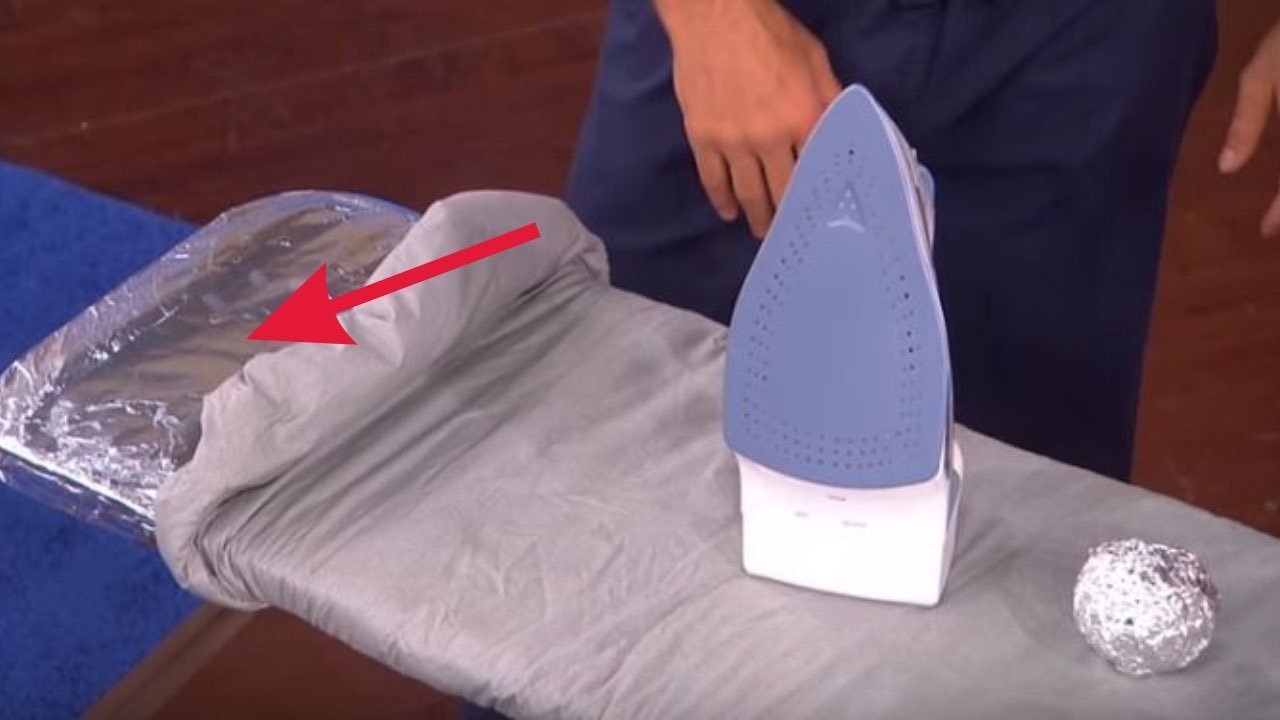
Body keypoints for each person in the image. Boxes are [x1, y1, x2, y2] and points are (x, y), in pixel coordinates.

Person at [463, 3, 1280, 718]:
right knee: (592, 496)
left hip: (1094, 41)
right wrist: (709, 16)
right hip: (754, 29)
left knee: (1017, 548)